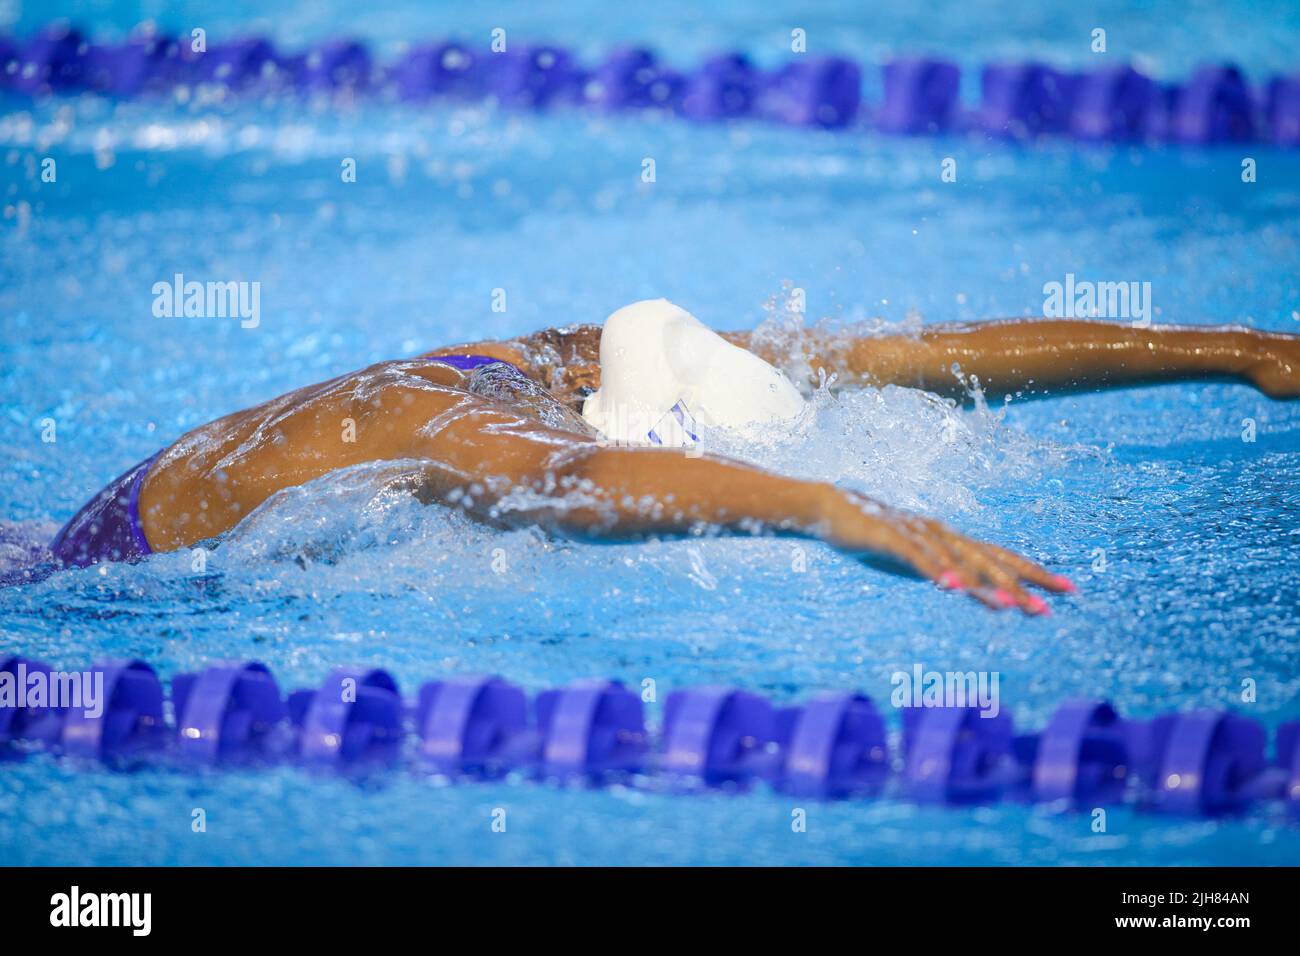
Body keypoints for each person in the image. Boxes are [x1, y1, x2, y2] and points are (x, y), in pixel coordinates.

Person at [49, 299, 1300, 615]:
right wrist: (824, 507)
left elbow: (907, 353)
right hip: (78, 589)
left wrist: (1237, 348)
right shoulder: (464, 424)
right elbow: (579, 491)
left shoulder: (565, 352)